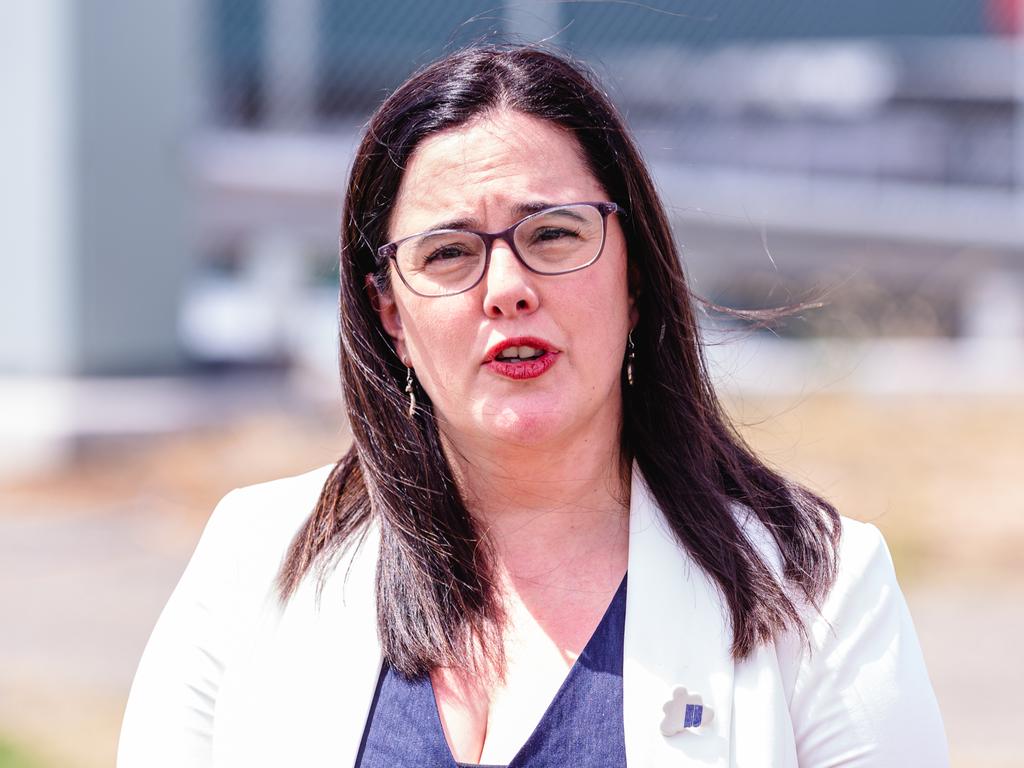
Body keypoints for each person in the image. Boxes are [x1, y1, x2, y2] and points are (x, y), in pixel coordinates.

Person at [118, 45, 948, 767]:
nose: (508, 290)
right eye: (448, 253)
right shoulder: (253, 559)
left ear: (635, 280)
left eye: (553, 234)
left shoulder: (814, 587)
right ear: (390, 316)